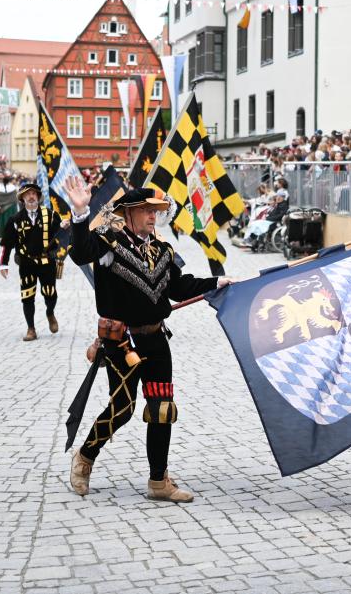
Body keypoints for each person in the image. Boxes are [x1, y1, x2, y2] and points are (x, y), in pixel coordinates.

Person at [62, 176, 231, 502]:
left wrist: (217, 283)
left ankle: (158, 481)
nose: (153, 216)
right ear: (127, 213)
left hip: (155, 341)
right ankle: (84, 458)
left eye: (156, 211)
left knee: (162, 409)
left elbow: (179, 288)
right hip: (121, 343)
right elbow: (80, 253)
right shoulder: (108, 243)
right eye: (145, 210)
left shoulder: (162, 250)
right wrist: (81, 213)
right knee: (123, 409)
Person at [0, 182, 64, 341]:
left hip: (47, 262)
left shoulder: (50, 215)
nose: (31, 196)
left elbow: (61, 233)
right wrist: (3, 263)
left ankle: (50, 313)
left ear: (38, 197)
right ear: (22, 198)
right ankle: (31, 328)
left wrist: (64, 227)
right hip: (27, 263)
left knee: (50, 294)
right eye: (27, 194)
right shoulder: (15, 219)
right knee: (27, 296)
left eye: (34, 193)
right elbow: (8, 243)